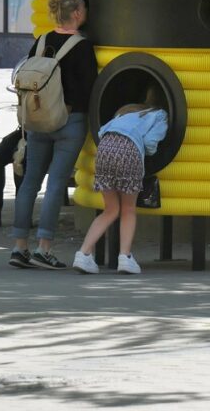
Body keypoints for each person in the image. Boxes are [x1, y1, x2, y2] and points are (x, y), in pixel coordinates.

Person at [9, 0, 97, 270]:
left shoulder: (41, 41)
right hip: (69, 122)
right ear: (77, 15)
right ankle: (44, 248)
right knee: (56, 183)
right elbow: (88, 89)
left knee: (30, 183)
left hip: (37, 121)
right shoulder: (82, 47)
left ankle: (19, 247)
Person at [73, 86, 168, 276]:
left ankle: (83, 253)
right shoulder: (160, 115)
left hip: (105, 149)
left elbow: (101, 131)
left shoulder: (128, 110)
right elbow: (150, 143)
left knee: (110, 210)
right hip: (129, 151)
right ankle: (125, 258)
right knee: (128, 210)